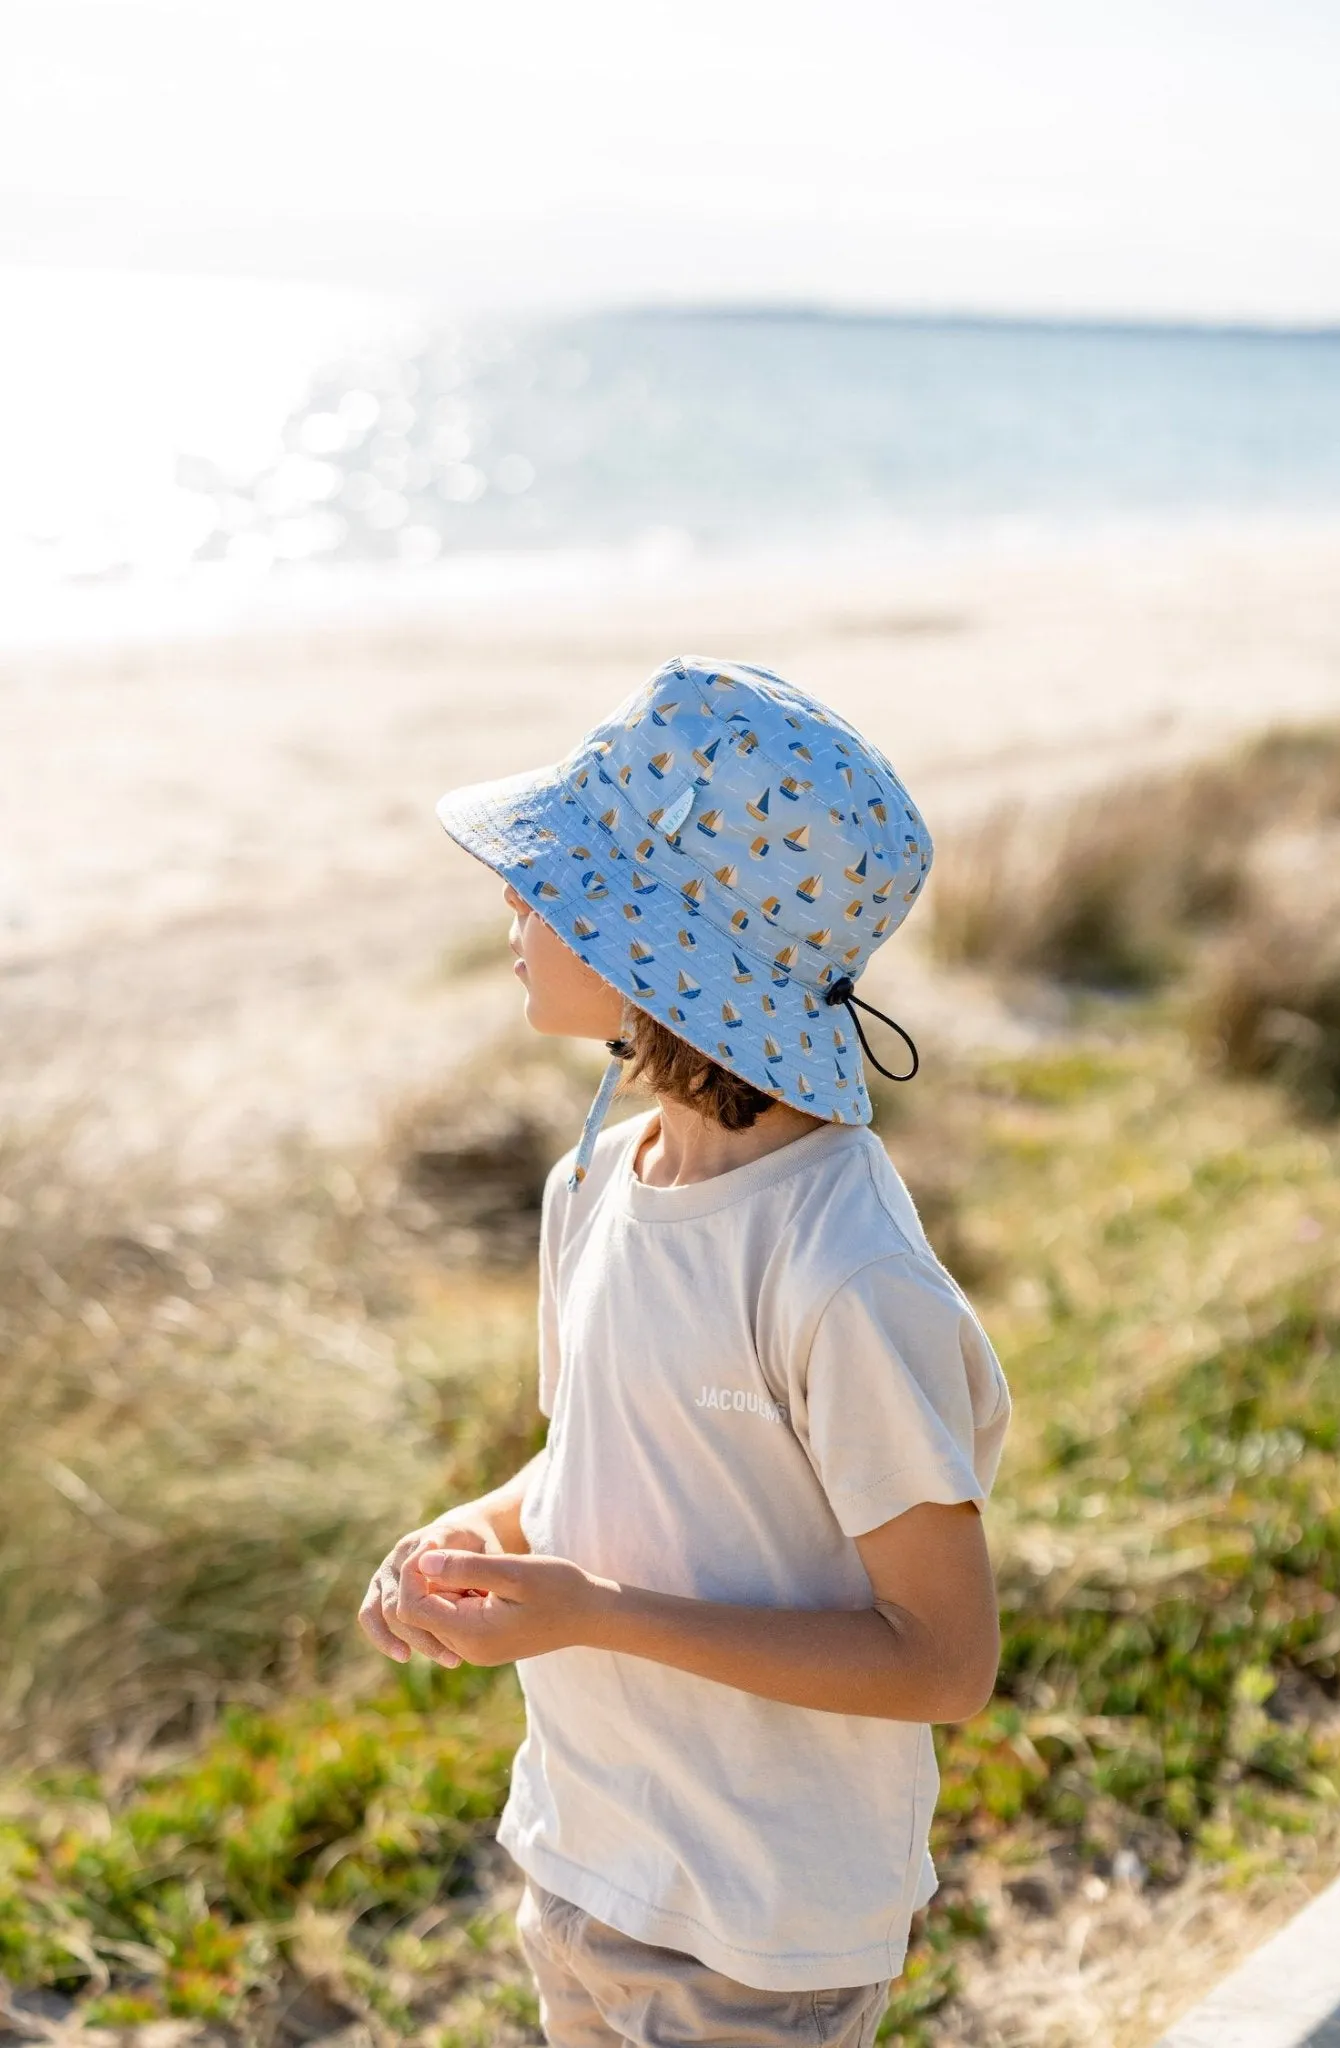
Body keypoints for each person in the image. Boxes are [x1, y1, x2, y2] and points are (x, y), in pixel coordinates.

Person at [359, 657, 1011, 2048]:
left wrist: (593, 1612)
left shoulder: (843, 1272)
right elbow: (594, 1457)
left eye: (563, 879)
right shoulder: (591, 1181)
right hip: (589, 1861)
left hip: (762, 1928)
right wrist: (468, 1538)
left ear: (668, 952)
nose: (516, 898)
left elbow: (943, 1659)